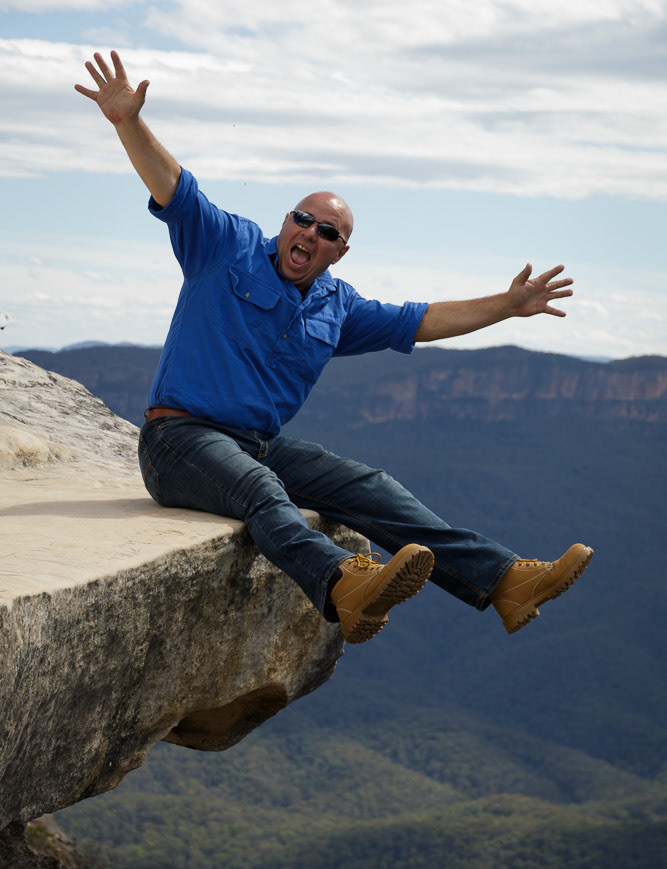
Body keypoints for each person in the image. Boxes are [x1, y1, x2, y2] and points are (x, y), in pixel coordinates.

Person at [75, 51, 593, 644]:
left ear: (339, 252)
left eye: (327, 232)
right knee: (263, 491)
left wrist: (507, 304)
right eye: (303, 219)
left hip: (256, 445)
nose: (310, 233)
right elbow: (174, 187)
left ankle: (504, 582)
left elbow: (420, 320)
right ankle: (344, 584)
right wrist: (129, 122)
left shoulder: (337, 305)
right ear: (286, 221)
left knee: (370, 487)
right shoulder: (225, 247)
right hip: (178, 443)